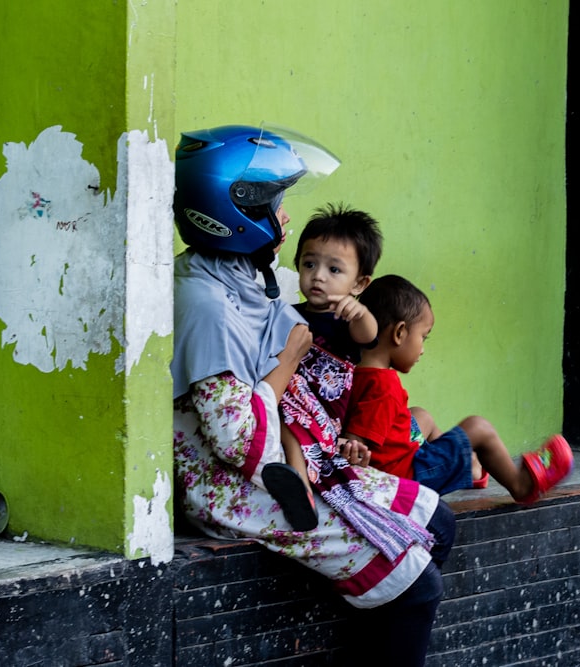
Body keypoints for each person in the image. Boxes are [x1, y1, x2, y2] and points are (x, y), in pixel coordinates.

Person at [170, 124, 454, 665]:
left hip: (299, 455)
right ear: (235, 212)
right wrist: (288, 362)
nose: (284, 217)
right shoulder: (207, 305)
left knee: (439, 523)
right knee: (418, 586)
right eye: (276, 204)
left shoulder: (248, 274)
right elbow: (234, 441)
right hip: (234, 483)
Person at [343, 274, 574, 503]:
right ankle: (521, 485)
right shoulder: (383, 386)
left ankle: (469, 468)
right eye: (423, 337)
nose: (422, 349)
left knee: (420, 415)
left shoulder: (356, 372)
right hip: (406, 479)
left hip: (397, 463)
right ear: (399, 333)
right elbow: (356, 444)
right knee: (478, 427)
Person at [275, 203, 384, 531]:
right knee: (282, 415)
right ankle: (298, 485)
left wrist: (359, 312)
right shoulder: (287, 314)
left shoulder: (348, 321)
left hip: (325, 419)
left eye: (334, 270)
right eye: (310, 264)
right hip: (290, 408)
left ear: (360, 283)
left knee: (291, 421)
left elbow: (370, 335)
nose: (318, 276)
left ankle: (301, 488)